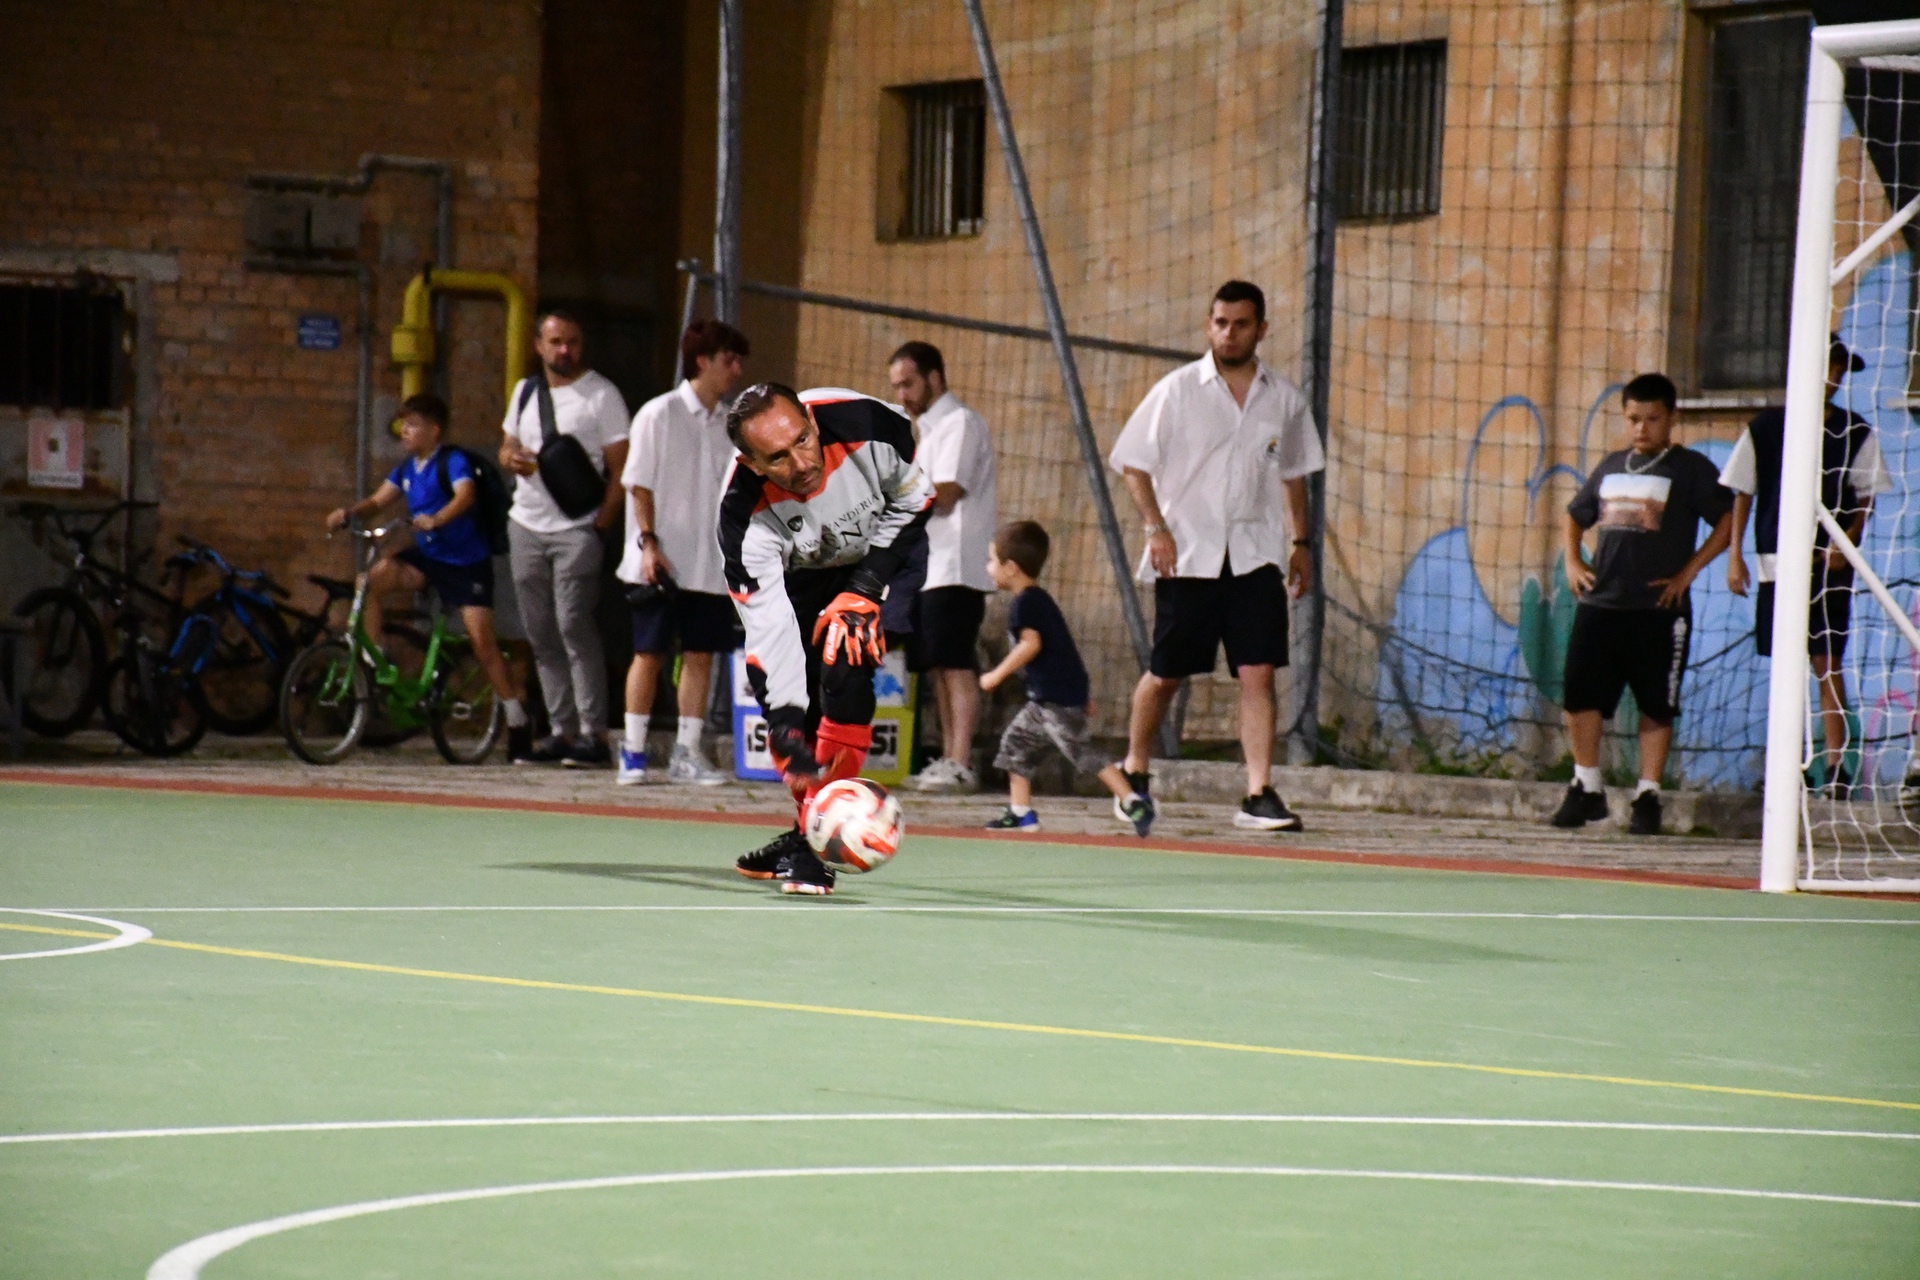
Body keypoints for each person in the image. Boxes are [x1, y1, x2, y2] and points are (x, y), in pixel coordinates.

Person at [1108, 280, 1324, 833]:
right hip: (1189, 554)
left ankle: (1258, 792)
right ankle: (1135, 768)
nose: (1229, 334)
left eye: (1241, 324)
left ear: (1261, 330)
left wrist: (1301, 543)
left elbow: (1294, 474)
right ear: (1209, 326)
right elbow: (1133, 462)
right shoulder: (1177, 390)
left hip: (1255, 557)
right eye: (1221, 323)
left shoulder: (1284, 399)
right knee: (1167, 674)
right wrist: (1156, 528)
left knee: (1258, 671)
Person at [719, 382, 935, 896]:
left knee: (847, 650)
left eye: (802, 440)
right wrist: (785, 724)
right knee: (802, 711)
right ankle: (810, 831)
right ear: (752, 464)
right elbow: (771, 635)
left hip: (884, 548)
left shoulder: (868, 423)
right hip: (806, 570)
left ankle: (815, 853)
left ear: (813, 423)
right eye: (777, 457)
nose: (801, 463)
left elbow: (917, 497)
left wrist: (865, 587)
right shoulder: (743, 520)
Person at [1552, 373, 1734, 836]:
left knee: (1656, 703)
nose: (1641, 428)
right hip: (1602, 603)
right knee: (1580, 695)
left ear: (1672, 418)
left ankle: (1648, 794)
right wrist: (1573, 561)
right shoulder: (1612, 465)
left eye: (1652, 419)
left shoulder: (1689, 468)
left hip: (1658, 609)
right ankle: (1587, 785)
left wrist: (1688, 573)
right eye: (1633, 418)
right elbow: (1575, 515)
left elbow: (1728, 519)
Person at [1721, 337, 1892, 798]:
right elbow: (1742, 491)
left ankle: (1836, 766)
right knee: (1785, 665)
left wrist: (1847, 540)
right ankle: (1786, 765)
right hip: (1777, 563)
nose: (1831, 378)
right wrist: (1735, 556)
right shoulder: (1766, 428)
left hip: (1828, 566)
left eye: (1838, 371)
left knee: (1827, 662)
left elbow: (1866, 497)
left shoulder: (1855, 431)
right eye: (1825, 367)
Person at [326, 393, 530, 756]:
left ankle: (517, 720)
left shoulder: (452, 461)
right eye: (403, 424)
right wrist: (348, 513)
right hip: (430, 557)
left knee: (482, 642)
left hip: (466, 563)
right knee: (368, 581)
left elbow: (465, 496)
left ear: (434, 430)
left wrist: (437, 519)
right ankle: (378, 661)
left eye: (413, 424)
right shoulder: (406, 469)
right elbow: (377, 501)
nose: (404, 431)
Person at [614, 319, 751, 785]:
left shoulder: (731, 425)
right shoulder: (659, 413)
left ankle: (687, 752)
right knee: (649, 652)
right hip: (662, 561)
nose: (736, 370)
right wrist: (648, 544)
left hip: (710, 564)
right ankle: (633, 750)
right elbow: (639, 484)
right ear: (702, 361)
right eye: (729, 360)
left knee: (700, 655)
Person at [499, 309, 630, 768]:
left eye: (572, 341)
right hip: (526, 524)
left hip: (577, 528)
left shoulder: (601, 395)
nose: (564, 350)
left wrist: (601, 526)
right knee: (540, 631)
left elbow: (621, 468)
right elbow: (505, 445)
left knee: (573, 622)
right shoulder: (525, 391)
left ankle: (594, 734)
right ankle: (561, 731)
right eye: (555, 342)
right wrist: (511, 459)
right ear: (539, 345)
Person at [979, 520, 1154, 836]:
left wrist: (996, 675)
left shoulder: (1026, 603)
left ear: (1011, 568)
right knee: (1016, 746)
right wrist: (1082, 693)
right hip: (1043, 700)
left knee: (1080, 750)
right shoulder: (1038, 600)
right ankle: (1021, 813)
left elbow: (1031, 645)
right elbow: (1066, 650)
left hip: (1055, 700)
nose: (988, 567)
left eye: (992, 560)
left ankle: (1132, 800)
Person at [888, 340, 997, 793]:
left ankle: (961, 759)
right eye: (897, 387)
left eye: (908, 384)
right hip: (930, 568)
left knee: (955, 662)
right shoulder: (929, 434)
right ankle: (949, 757)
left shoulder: (960, 423)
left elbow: (947, 492)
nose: (902, 395)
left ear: (934, 378)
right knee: (936, 664)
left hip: (956, 566)